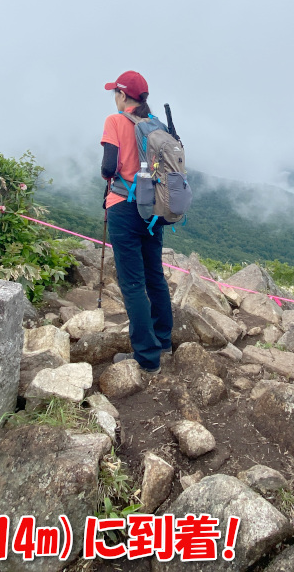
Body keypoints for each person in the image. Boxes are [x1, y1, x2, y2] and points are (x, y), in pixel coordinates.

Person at [101, 71, 174, 375]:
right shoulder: (154, 124)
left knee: (132, 284)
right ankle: (164, 340)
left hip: (123, 208)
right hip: (152, 209)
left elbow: (108, 167)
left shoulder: (115, 121)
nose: (113, 98)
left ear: (122, 95)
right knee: (154, 276)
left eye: (114, 93)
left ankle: (147, 357)